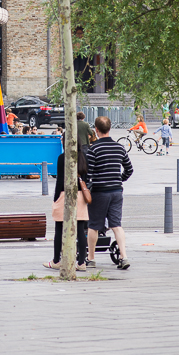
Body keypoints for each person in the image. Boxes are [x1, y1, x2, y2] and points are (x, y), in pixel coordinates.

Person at [85, 115, 133, 270]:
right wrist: (119, 179)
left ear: (96, 130)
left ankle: (91, 258)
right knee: (116, 225)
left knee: (94, 226)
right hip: (117, 191)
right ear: (110, 128)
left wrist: (89, 187)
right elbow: (129, 169)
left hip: (100, 192)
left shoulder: (94, 149)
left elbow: (88, 173)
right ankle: (124, 256)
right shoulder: (120, 148)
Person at [43, 150, 91, 271]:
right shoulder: (83, 156)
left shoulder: (62, 157)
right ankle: (81, 263)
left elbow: (60, 180)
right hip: (80, 195)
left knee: (59, 228)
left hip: (64, 194)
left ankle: (56, 260)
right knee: (80, 229)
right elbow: (87, 176)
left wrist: (55, 198)